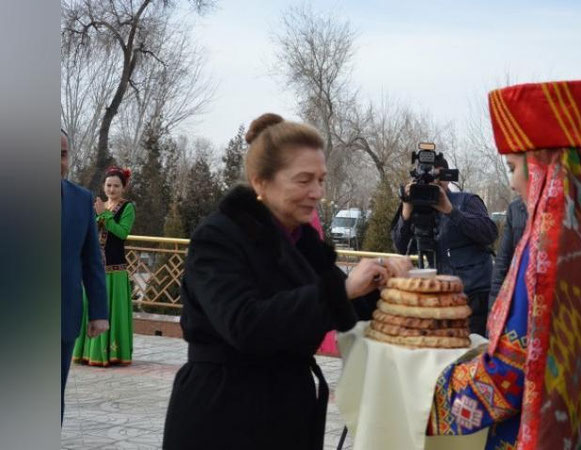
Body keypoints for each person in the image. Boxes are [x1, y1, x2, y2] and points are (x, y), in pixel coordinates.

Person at [427, 81, 581, 448]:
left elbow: (507, 375)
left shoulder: (547, 257)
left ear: (540, 169)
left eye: (513, 167)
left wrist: (428, 393)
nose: (514, 183)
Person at [162, 113, 411, 449]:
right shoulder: (218, 237)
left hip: (288, 411)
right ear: (261, 182)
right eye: (304, 180)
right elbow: (244, 324)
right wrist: (344, 288)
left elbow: (347, 309)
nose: (317, 192)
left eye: (321, 180)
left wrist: (392, 286)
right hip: (223, 413)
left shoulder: (302, 240)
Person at [390, 156, 498, 336]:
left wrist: (451, 211)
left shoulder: (466, 201)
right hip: (440, 300)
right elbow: (400, 246)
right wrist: (407, 210)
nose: (430, 182)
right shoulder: (415, 207)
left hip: (473, 298)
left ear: (447, 178)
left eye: (435, 177)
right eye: (424, 178)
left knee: (470, 355)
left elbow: (489, 234)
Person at [60, 128, 108, 422]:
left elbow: (92, 259)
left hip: (62, 316)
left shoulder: (81, 199)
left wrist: (99, 312)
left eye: (62, 154)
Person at [73, 166, 136, 366]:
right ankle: (87, 352)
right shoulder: (97, 206)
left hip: (115, 270)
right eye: (108, 185)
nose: (111, 189)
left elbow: (122, 233)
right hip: (93, 269)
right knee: (88, 307)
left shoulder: (127, 208)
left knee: (111, 312)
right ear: (103, 186)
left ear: (123, 188)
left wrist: (105, 216)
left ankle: (111, 354)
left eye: (116, 186)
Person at [488, 196, 527, 313]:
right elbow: (502, 260)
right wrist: (494, 305)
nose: (512, 185)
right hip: (519, 299)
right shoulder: (515, 208)